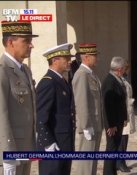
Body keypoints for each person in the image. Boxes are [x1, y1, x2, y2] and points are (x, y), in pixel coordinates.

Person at [0, 21, 38, 175]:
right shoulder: (2, 71)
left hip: (26, 147)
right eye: (26, 41)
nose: (31, 45)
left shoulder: (25, 70)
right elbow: (1, 116)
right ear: (10, 42)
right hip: (11, 149)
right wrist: (7, 154)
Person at [36, 43, 76, 175]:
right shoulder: (48, 82)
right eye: (66, 58)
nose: (70, 61)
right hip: (54, 144)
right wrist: (48, 142)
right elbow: (40, 116)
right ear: (54, 60)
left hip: (64, 142)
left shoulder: (61, 80)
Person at [72, 43, 103, 175]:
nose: (97, 58)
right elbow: (81, 101)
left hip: (95, 124)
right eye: (95, 56)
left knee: (92, 162)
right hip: (89, 126)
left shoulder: (91, 74)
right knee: (86, 163)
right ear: (86, 57)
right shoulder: (81, 74)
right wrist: (85, 126)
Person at [102, 56, 128, 175]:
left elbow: (121, 102)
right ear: (119, 69)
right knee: (111, 149)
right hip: (113, 124)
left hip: (118, 121)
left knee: (114, 148)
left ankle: (112, 172)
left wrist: (124, 117)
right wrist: (111, 125)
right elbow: (107, 106)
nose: (125, 71)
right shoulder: (109, 82)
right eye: (124, 69)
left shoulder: (117, 79)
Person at [116, 62, 136, 172]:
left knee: (125, 138)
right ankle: (119, 163)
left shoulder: (125, 78)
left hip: (128, 111)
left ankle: (121, 161)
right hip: (123, 113)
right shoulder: (119, 80)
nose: (126, 70)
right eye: (125, 68)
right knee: (121, 140)